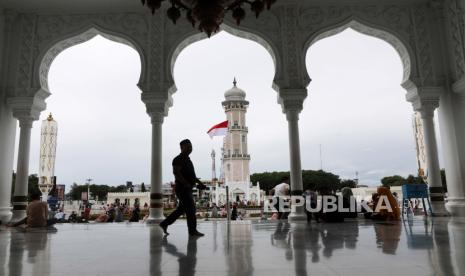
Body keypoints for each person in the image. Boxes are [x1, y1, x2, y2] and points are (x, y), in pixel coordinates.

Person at [159, 139, 207, 237]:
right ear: (182, 147)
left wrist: (200, 183)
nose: (190, 148)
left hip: (187, 188)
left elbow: (192, 176)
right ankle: (192, 231)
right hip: (182, 188)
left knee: (181, 209)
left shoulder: (188, 160)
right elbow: (176, 173)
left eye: (191, 146)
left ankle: (164, 223)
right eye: (188, 146)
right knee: (191, 209)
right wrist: (186, 183)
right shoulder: (177, 159)